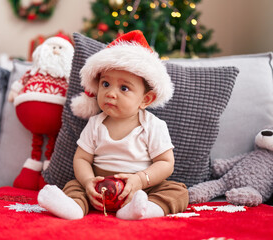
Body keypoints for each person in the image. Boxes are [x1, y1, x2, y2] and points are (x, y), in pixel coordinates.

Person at [38, 30, 188, 220]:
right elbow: (82, 158)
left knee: (177, 190)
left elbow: (166, 163)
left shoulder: (153, 126)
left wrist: (141, 180)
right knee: (73, 185)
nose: (110, 93)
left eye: (124, 88)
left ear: (146, 99)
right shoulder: (95, 123)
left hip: (140, 188)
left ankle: (145, 209)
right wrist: (88, 181)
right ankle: (74, 208)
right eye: (106, 84)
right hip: (99, 187)